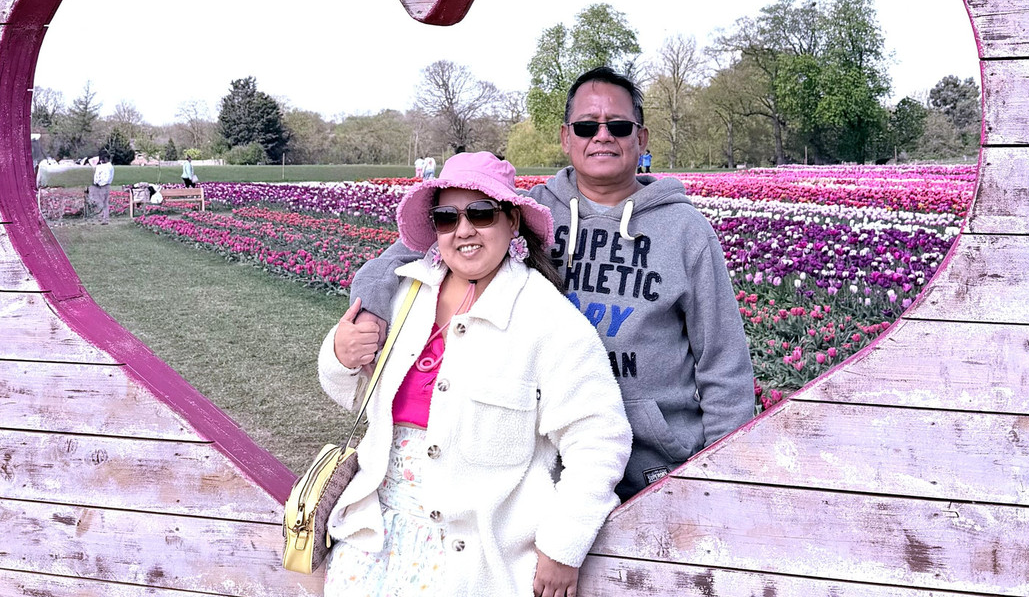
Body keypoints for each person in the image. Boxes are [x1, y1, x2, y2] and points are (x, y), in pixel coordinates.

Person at [349, 67, 754, 500]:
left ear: (642, 138)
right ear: (566, 138)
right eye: (586, 126)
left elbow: (723, 362)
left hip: (656, 468)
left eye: (618, 126)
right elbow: (402, 256)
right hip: (541, 464)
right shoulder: (521, 214)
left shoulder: (685, 230)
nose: (602, 136)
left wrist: (718, 476)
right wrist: (368, 308)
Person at [318, 151, 630, 597]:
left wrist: (563, 546)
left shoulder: (547, 319)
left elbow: (600, 439)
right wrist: (340, 354)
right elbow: (351, 394)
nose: (463, 230)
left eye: (480, 214)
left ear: (513, 222)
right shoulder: (408, 293)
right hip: (373, 544)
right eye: (447, 217)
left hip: (474, 562)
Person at [87, 150, 114, 224]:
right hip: (106, 185)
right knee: (105, 203)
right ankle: (105, 218)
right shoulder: (109, 166)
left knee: (100, 202)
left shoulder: (104, 167)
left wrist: (98, 183)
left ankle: (102, 217)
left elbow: (103, 177)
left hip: (101, 186)